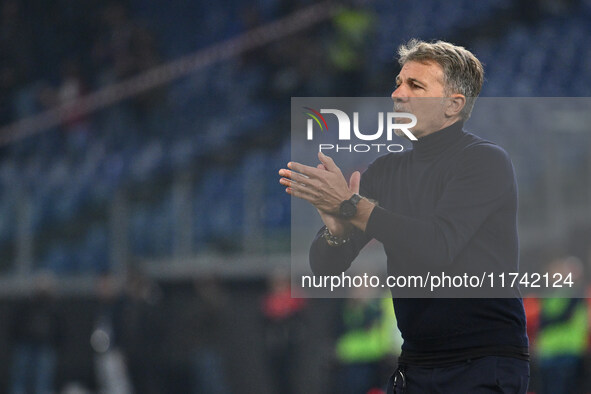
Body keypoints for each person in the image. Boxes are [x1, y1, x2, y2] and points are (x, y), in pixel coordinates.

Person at [279, 39, 530, 393]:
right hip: (416, 364)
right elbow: (326, 266)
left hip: (483, 364)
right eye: (398, 82)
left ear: (453, 105)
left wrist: (352, 206)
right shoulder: (384, 171)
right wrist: (336, 229)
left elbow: (437, 246)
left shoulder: (484, 161)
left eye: (415, 85)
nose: (398, 94)